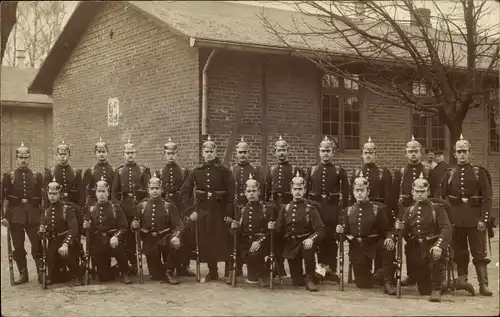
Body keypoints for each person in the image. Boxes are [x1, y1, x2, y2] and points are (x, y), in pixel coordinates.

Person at [440, 134, 493, 296]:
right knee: (460, 251)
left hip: (475, 220)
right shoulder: (449, 174)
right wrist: (447, 219)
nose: (462, 154)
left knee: (479, 252)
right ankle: (462, 280)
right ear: (454, 154)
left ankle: (483, 284)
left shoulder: (479, 172)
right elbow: (441, 197)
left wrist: (484, 219)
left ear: (470, 152)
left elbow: (488, 198)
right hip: (456, 220)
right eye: (459, 151)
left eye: (465, 151)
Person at [179, 136, 235, 282]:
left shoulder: (224, 171)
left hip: (221, 211)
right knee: (208, 240)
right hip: (203, 212)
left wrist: (229, 212)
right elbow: (184, 192)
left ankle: (229, 272)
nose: (209, 154)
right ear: (202, 153)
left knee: (224, 239)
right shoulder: (197, 171)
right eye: (206, 151)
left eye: (211, 151)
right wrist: (191, 211)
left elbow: (231, 194)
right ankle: (213, 271)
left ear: (216, 152)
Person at [337, 171, 396, 295]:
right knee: (363, 284)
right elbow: (342, 237)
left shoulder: (377, 209)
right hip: (357, 247)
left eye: (362, 190)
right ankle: (381, 274)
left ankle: (388, 281)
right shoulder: (347, 211)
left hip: (374, 244)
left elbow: (387, 229)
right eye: (357, 190)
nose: (359, 193)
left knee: (388, 246)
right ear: (353, 192)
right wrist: (340, 231)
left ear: (367, 192)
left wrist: (389, 238)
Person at [395, 174, 452, 302]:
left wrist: (439, 245)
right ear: (412, 192)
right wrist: (399, 227)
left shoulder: (437, 209)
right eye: (417, 191)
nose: (420, 194)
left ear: (428, 192)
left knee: (435, 261)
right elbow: (405, 233)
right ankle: (443, 283)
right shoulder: (409, 210)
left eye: (422, 191)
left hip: (433, 246)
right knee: (424, 290)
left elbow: (446, 228)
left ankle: (437, 288)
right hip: (418, 250)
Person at [393, 135, 436, 286]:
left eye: (416, 151)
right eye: (410, 151)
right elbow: (394, 195)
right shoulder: (401, 172)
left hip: (425, 213)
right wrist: (396, 216)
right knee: (409, 244)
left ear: (420, 153)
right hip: (406, 213)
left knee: (423, 244)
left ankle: (425, 275)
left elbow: (435, 194)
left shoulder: (428, 171)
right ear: (406, 153)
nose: (413, 154)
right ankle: (411, 275)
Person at [305, 136, 348, 282]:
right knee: (319, 240)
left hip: (332, 211)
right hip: (316, 212)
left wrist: (342, 214)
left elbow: (346, 194)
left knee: (331, 240)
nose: (325, 154)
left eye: (328, 151)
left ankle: (330, 270)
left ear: (333, 153)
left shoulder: (338, 171)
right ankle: (320, 270)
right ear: (319, 152)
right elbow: (305, 194)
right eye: (323, 151)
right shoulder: (311, 170)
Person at [272, 171, 324, 291]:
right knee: (297, 282)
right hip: (291, 245)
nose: (297, 192)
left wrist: (311, 239)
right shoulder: (286, 208)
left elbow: (320, 229)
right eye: (295, 189)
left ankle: (311, 278)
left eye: (300, 189)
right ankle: (319, 274)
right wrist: (272, 227)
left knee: (307, 249)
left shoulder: (310, 209)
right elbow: (279, 229)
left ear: (304, 190)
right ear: (291, 190)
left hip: (305, 242)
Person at [1, 142, 44, 285]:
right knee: (18, 247)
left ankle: (40, 272)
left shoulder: (37, 176)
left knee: (37, 245)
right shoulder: (9, 176)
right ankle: (23, 274)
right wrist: (3, 217)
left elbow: (42, 198)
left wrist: (42, 217)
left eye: (26, 157)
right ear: (17, 158)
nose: (23, 160)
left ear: (29, 158)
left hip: (33, 215)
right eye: (21, 157)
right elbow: (2, 198)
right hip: (15, 217)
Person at [131, 172, 184, 284]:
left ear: (161, 190)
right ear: (148, 190)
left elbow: (179, 225)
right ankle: (163, 270)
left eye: (157, 188)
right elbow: (135, 223)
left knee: (177, 245)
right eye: (152, 188)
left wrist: (176, 236)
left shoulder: (168, 205)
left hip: (165, 238)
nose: (154, 191)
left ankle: (168, 271)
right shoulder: (142, 206)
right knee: (155, 276)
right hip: (150, 241)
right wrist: (134, 224)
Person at [111, 139, 151, 275]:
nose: (130, 155)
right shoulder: (120, 171)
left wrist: (143, 205)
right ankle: (129, 264)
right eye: (127, 153)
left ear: (136, 154)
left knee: (141, 236)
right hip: (123, 208)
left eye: (132, 153)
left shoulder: (143, 170)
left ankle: (144, 264)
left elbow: (148, 191)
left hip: (139, 208)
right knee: (126, 237)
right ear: (123, 154)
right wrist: (118, 207)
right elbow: (114, 193)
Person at [230, 174, 277, 287]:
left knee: (254, 256)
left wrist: (260, 241)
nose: (251, 193)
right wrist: (234, 228)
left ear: (258, 192)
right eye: (249, 191)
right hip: (246, 242)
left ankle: (264, 271)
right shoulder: (242, 210)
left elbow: (271, 231)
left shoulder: (267, 208)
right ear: (245, 193)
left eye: (254, 191)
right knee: (232, 245)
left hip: (262, 242)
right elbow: (239, 232)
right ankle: (235, 271)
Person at [265, 135, 302, 277]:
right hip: (275, 206)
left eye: (283, 150)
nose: (281, 153)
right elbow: (266, 191)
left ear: (288, 151)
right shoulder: (271, 170)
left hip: (288, 206)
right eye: (278, 150)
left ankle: (294, 268)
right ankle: (278, 267)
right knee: (276, 236)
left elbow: (299, 191)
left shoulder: (294, 170)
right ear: (274, 152)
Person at [82, 177, 131, 284]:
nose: (101, 194)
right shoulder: (91, 209)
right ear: (96, 193)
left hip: (112, 239)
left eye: (103, 191)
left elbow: (124, 227)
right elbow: (87, 231)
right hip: (98, 242)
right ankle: (113, 269)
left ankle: (125, 272)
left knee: (117, 247)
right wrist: (86, 226)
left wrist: (116, 236)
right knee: (104, 278)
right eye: (99, 191)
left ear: (108, 193)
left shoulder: (115, 208)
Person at [158, 138, 194, 277]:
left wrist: (187, 210)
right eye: (168, 153)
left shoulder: (184, 171)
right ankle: (168, 265)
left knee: (184, 236)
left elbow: (188, 194)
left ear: (177, 154)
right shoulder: (160, 172)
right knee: (167, 236)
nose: (171, 156)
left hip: (180, 208)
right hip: (166, 209)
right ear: (164, 154)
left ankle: (184, 266)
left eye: (173, 153)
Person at [229, 137, 263, 278]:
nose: (242, 154)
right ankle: (234, 268)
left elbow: (260, 190)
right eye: (240, 152)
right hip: (237, 208)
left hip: (253, 207)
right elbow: (229, 192)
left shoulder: (255, 170)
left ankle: (255, 267)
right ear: (236, 153)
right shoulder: (231, 170)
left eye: (245, 152)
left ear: (249, 153)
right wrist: (229, 212)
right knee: (234, 236)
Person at [39, 177, 82, 286]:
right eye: (50, 194)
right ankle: (62, 273)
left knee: (64, 253)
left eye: (55, 193)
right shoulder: (46, 211)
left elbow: (73, 229)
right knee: (53, 277)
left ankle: (78, 275)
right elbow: (41, 226)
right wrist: (41, 230)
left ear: (59, 194)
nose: (52, 196)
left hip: (68, 241)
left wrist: (66, 243)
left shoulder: (67, 209)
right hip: (53, 241)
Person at [81, 137, 115, 206]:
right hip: (95, 205)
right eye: (99, 152)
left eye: (103, 152)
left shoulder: (113, 171)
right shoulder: (90, 171)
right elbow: (86, 192)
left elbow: (115, 191)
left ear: (107, 153)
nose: (101, 154)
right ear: (95, 154)